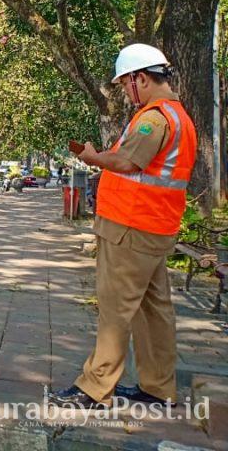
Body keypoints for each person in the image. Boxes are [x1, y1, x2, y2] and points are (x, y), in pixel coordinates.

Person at [54, 44, 196, 409]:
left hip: (131, 226)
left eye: (124, 83)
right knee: (154, 310)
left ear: (140, 78)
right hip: (155, 226)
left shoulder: (153, 118)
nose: (124, 91)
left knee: (116, 309)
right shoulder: (178, 116)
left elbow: (128, 163)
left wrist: (92, 157)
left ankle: (95, 387)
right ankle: (158, 386)